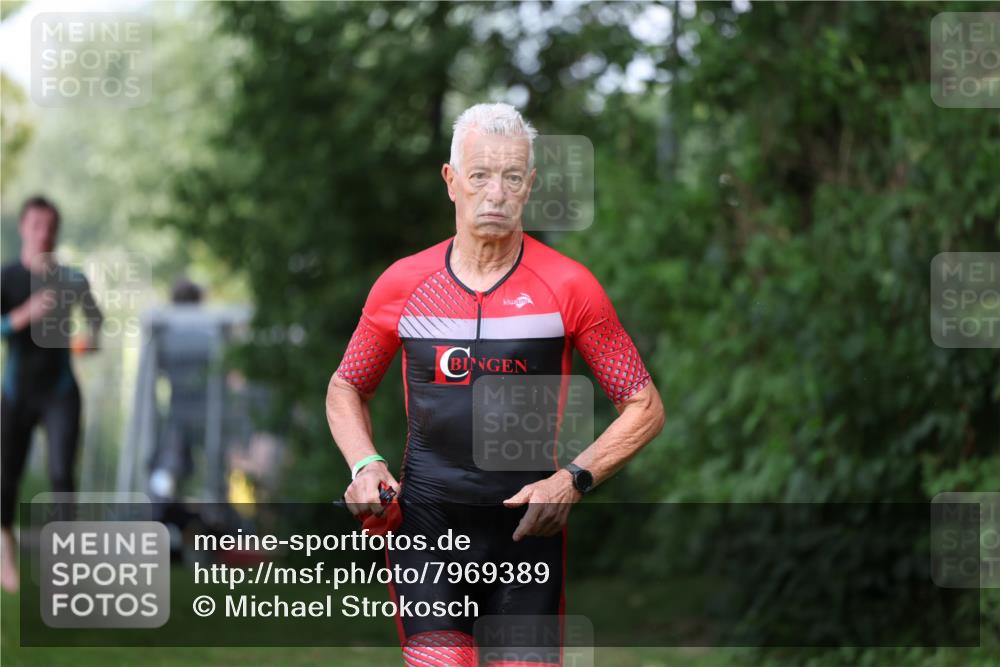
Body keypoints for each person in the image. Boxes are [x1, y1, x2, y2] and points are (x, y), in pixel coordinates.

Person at [326, 103, 665, 666]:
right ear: (451, 180)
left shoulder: (568, 286)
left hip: (527, 535)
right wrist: (365, 464)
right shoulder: (404, 284)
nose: (496, 193)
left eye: (512, 177)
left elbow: (644, 406)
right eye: (480, 175)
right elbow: (346, 386)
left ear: (530, 185)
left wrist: (572, 481)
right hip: (426, 530)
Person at [1, 196, 103, 593]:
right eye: (36, 225)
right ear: (23, 228)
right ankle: (6, 560)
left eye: (50, 226)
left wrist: (90, 339)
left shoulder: (72, 279)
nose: (43, 233)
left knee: (61, 474)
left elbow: (95, 321)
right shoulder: (7, 277)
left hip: (59, 391)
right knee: (6, 478)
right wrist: (23, 315)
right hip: (16, 392)